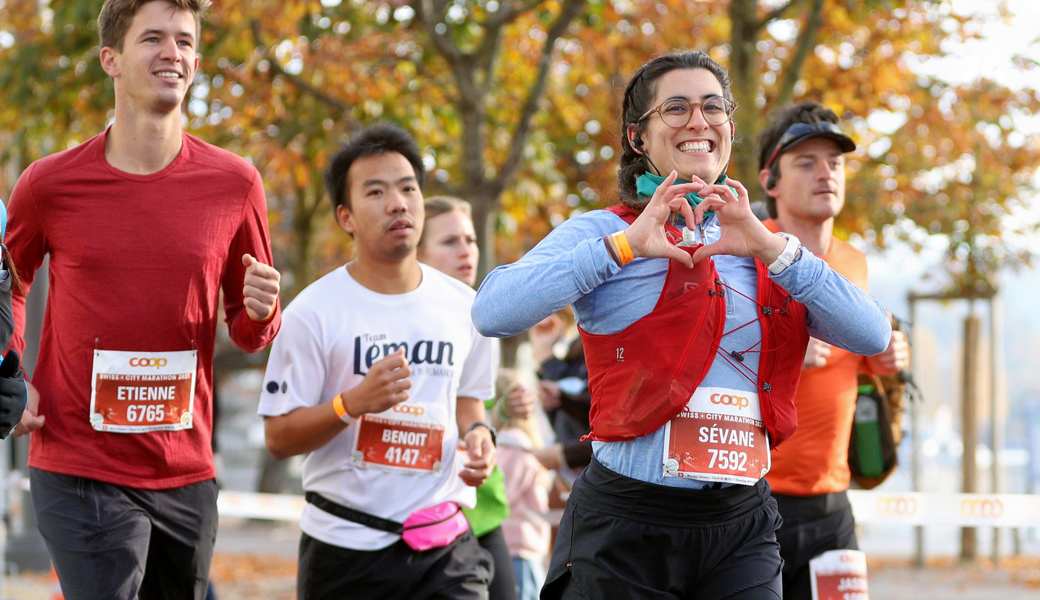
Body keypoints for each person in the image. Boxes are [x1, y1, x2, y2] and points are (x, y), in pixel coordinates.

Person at [471, 50, 893, 599]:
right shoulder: (603, 231)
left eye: (712, 107)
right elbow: (492, 311)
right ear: (638, 137)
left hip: (741, 526)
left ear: (729, 129)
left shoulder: (766, 243)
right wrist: (622, 248)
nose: (698, 121)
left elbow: (872, 334)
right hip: (626, 523)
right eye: (676, 108)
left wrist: (769, 247)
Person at [4, 1, 283, 597]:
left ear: (197, 62)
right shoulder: (49, 184)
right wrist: (12, 369)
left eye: (183, 41)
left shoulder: (236, 183)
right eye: (152, 38)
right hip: (79, 462)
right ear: (112, 59)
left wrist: (262, 309)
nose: (171, 53)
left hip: (185, 469)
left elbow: (249, 328)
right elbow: (10, 281)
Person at [258, 124, 497, 600]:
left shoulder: (468, 306)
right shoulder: (311, 312)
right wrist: (351, 404)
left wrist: (479, 437)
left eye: (409, 188)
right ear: (345, 217)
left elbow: (470, 401)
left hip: (444, 546)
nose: (398, 203)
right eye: (376, 191)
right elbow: (278, 438)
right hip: (345, 549)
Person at [756, 101, 910, 600]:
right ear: (770, 182)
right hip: (753, 502)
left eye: (835, 162)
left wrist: (889, 360)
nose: (826, 173)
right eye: (806, 162)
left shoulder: (855, 262)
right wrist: (778, 351)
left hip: (833, 506)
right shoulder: (744, 255)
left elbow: (869, 358)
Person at [417, 194, 525, 600]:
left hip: (479, 510)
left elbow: (471, 408)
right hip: (416, 514)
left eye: (471, 239)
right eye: (449, 242)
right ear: (418, 252)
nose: (466, 252)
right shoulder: (395, 318)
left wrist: (495, 420)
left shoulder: (481, 313)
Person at [491, 369, 552, 600]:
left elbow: (501, 494)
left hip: (517, 553)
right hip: (521, 552)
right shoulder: (519, 442)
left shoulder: (513, 444)